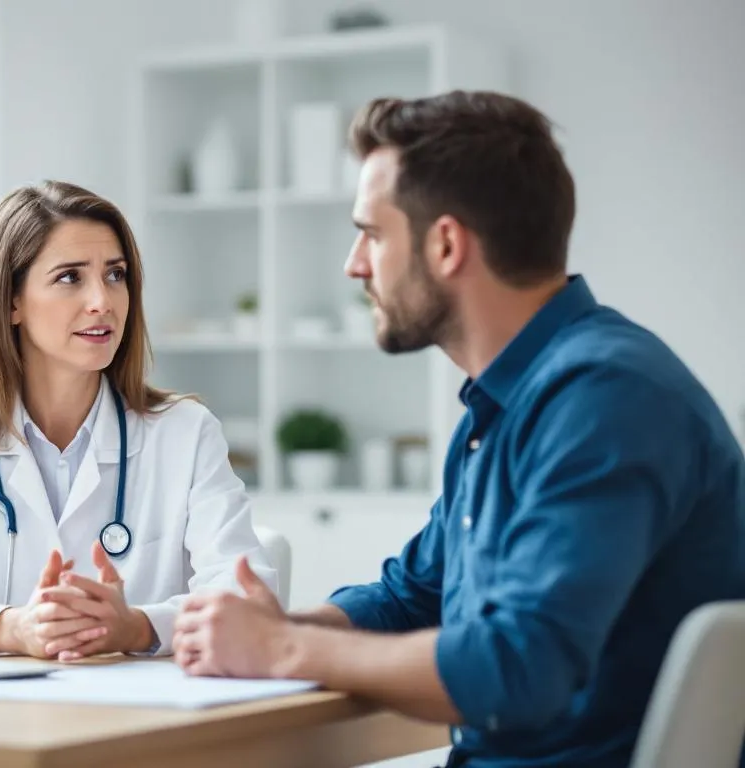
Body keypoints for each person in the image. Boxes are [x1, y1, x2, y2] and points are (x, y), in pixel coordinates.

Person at [173, 90, 745, 768]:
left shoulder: (605, 399)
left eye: (374, 234)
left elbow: (517, 670)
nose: (355, 264)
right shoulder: (508, 405)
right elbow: (413, 595)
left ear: (446, 244)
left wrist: (283, 650)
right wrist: (275, 627)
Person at [0, 180, 277, 660]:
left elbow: (248, 595)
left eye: (115, 275)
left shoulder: (185, 432)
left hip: (142, 718)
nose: (102, 300)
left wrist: (137, 627)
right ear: (12, 301)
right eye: (69, 277)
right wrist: (13, 628)